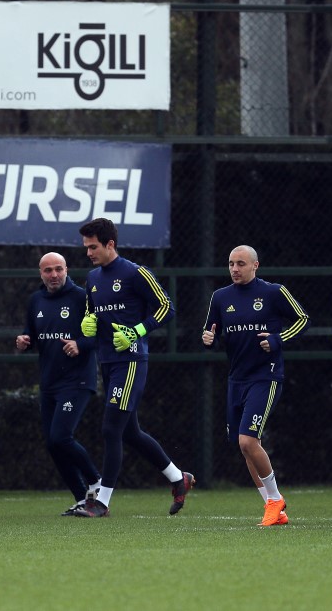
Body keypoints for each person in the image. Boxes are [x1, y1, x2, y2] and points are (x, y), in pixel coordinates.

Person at [74, 218, 194, 518]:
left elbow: (167, 307)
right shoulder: (92, 278)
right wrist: (88, 325)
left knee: (110, 428)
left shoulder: (136, 273)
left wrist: (138, 331)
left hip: (130, 361)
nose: (88, 252)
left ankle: (101, 502)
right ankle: (179, 478)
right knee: (130, 433)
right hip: (107, 361)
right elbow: (91, 313)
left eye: (93, 247)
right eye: (86, 247)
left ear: (110, 244)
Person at [201, 245, 309, 526]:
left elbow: (303, 320)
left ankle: (275, 500)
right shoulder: (220, 297)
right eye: (231, 264)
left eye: (241, 263)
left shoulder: (273, 292)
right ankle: (274, 508)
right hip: (236, 378)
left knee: (248, 440)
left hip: (266, 376)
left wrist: (277, 339)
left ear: (255, 265)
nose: (234, 269)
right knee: (246, 446)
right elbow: (210, 331)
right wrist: (208, 339)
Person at [15, 252, 102, 516]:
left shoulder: (82, 298)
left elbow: (102, 333)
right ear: (40, 273)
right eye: (48, 270)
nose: (54, 275)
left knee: (61, 437)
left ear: (67, 270)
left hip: (77, 380)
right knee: (53, 444)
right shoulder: (36, 300)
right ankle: (82, 499)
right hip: (49, 382)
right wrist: (24, 340)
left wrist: (80, 344)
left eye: (58, 269)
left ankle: (97, 484)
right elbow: (31, 332)